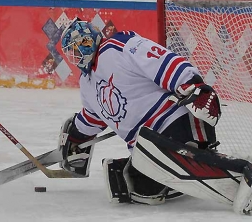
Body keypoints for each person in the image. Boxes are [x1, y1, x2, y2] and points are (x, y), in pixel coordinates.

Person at [57, 18, 233, 208]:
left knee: (148, 165)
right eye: (70, 53)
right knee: (129, 183)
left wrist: (195, 85)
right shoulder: (87, 83)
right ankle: (180, 177)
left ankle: (228, 169)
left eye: (76, 48)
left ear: (87, 40)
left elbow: (164, 61)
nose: (75, 56)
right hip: (146, 147)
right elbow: (92, 118)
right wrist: (76, 134)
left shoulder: (119, 46)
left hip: (176, 123)